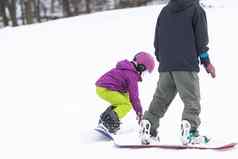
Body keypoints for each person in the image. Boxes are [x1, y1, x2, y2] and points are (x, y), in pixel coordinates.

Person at [139, 0, 216, 145]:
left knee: (160, 99)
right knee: (191, 100)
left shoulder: (164, 11)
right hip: (186, 64)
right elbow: (201, 39)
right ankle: (190, 131)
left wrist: (163, 58)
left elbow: (157, 39)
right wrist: (206, 62)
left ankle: (148, 126)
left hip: (167, 65)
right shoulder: (195, 10)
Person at [96, 52, 155, 134]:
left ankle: (104, 120)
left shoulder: (127, 70)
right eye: (144, 71)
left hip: (103, 88)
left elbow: (128, 95)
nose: (143, 74)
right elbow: (134, 96)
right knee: (126, 105)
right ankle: (108, 123)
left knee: (123, 101)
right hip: (106, 88)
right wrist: (139, 112)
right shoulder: (131, 75)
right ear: (141, 67)